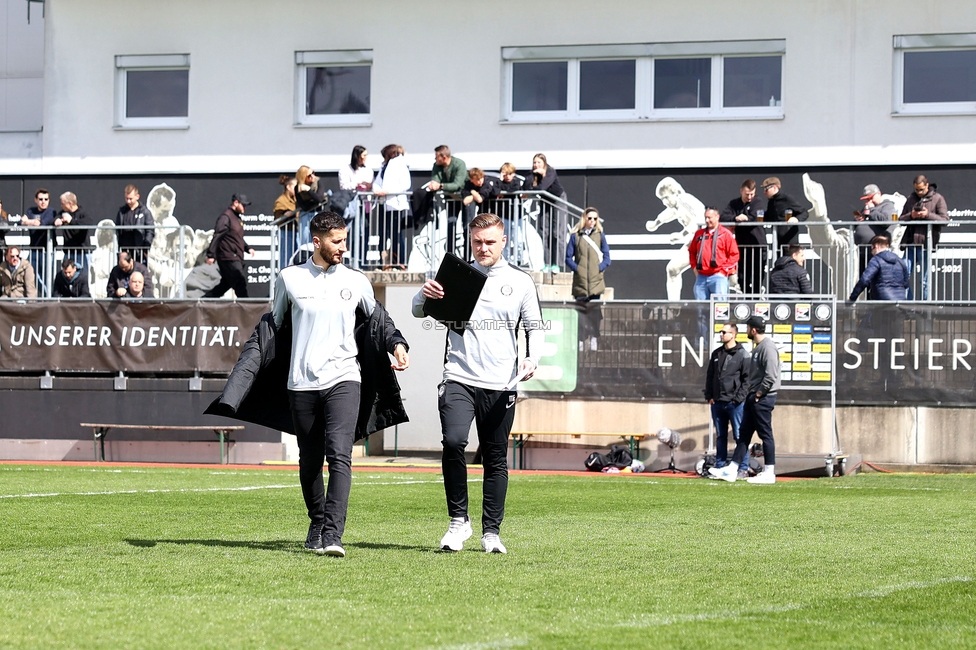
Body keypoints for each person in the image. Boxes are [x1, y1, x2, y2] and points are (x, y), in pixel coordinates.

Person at [273, 211, 410, 557]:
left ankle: (333, 534)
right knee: (309, 461)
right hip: (301, 383)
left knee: (340, 456)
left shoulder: (357, 280)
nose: (343, 248)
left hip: (345, 378)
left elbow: (380, 320)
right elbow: (274, 326)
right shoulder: (289, 278)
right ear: (316, 242)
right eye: (336, 241)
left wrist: (397, 344)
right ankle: (317, 519)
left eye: (345, 240)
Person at [412, 212, 544, 554]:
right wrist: (422, 294)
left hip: (501, 384)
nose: (483, 248)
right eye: (477, 242)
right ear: (470, 242)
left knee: (495, 457)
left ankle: (491, 533)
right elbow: (418, 311)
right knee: (454, 442)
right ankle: (458, 522)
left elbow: (534, 326)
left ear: (503, 242)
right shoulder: (458, 275)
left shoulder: (520, 281)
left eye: (489, 242)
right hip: (458, 376)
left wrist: (531, 358)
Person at [710, 315, 780, 484]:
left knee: (765, 434)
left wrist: (758, 394)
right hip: (753, 397)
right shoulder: (758, 347)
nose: (746, 331)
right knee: (744, 435)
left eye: (748, 328)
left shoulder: (767, 348)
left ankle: (769, 472)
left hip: (762, 398)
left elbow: (771, 376)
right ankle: (732, 469)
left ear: (753, 330)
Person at [645, 177, 706, 300]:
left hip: (707, 242)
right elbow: (669, 213)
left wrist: (681, 234)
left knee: (718, 277)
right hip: (695, 242)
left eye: (666, 198)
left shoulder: (686, 200)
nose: (664, 202)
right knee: (672, 269)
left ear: (675, 192)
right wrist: (656, 223)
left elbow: (700, 220)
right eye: (662, 199)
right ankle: (673, 305)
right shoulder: (677, 206)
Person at [704, 324, 750, 477]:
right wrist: (710, 396)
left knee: (739, 435)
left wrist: (738, 399)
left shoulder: (742, 354)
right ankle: (720, 466)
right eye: (720, 332)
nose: (721, 334)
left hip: (734, 403)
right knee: (721, 436)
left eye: (724, 332)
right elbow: (710, 376)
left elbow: (747, 380)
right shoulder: (716, 353)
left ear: (733, 334)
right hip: (717, 402)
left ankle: (743, 468)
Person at [566, 207, 611, 352]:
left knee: (595, 313)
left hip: (596, 281)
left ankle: (594, 337)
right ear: (584, 218)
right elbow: (568, 257)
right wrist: (577, 268)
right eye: (589, 218)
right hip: (580, 282)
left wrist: (600, 268)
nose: (592, 221)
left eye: (595, 219)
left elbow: (607, 257)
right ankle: (580, 339)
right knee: (580, 313)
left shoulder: (600, 236)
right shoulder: (575, 236)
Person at [900, 175, 949, 301]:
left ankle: (924, 307)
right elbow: (901, 219)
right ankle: (909, 305)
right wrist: (912, 215)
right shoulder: (911, 198)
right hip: (910, 243)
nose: (919, 192)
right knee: (902, 275)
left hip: (926, 244)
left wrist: (928, 215)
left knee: (924, 279)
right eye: (916, 190)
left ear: (927, 185)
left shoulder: (937, 198)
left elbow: (944, 220)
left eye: (921, 189)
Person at [203, 194, 255, 299]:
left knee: (224, 285)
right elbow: (218, 234)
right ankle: (247, 310)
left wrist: (247, 248)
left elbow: (236, 237)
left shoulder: (236, 218)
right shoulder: (226, 217)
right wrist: (211, 254)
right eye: (243, 205)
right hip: (229, 256)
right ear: (236, 203)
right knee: (240, 283)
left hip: (235, 256)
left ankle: (204, 302)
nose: (245, 208)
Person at [720, 179, 766, 295]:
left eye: (752, 194)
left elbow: (756, 216)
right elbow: (724, 216)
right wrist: (735, 219)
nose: (749, 197)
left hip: (758, 245)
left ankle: (755, 299)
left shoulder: (758, 201)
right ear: (741, 191)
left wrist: (746, 218)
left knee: (757, 275)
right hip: (741, 245)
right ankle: (746, 297)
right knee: (742, 275)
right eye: (747, 194)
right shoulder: (734, 203)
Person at [371, 144, 412, 268]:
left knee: (396, 234)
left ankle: (400, 261)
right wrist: (377, 190)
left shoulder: (400, 164)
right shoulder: (384, 166)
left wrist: (387, 191)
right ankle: (386, 262)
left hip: (396, 205)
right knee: (384, 233)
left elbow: (405, 184)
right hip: (385, 204)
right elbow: (377, 183)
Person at [527, 153, 568, 272]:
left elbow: (542, 188)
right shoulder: (533, 174)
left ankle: (558, 264)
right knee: (544, 232)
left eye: (539, 162)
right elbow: (526, 186)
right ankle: (547, 263)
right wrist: (533, 176)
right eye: (534, 162)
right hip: (545, 201)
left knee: (557, 233)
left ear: (544, 163)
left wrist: (542, 176)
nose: (536, 165)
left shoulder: (550, 171)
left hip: (558, 200)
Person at [688, 207, 739, 300]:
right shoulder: (699, 234)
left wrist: (723, 271)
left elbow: (734, 254)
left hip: (718, 277)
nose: (707, 220)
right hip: (701, 277)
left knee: (720, 309)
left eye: (710, 217)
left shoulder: (726, 234)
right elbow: (692, 251)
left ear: (717, 217)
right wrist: (694, 267)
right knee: (701, 309)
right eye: (705, 218)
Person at [410, 145, 467, 226]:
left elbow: (458, 184)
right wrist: (433, 185)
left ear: (444, 157)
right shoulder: (436, 165)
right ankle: (451, 239)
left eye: (436, 157)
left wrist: (440, 186)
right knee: (451, 222)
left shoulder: (459, 164)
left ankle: (469, 239)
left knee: (466, 225)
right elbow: (435, 180)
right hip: (450, 198)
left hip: (465, 197)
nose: (435, 159)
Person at [853, 184, 896, 281]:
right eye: (866, 199)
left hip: (878, 252)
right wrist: (857, 219)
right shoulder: (867, 208)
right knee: (865, 280)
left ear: (879, 194)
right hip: (864, 251)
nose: (869, 201)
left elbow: (886, 221)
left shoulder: (888, 206)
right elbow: (858, 224)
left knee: (877, 281)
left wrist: (871, 210)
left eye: (871, 198)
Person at [849, 235, 909, 301]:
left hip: (881, 300)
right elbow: (906, 283)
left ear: (876, 246)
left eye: (872, 249)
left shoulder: (876, 260)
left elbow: (864, 280)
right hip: (900, 300)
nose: (872, 252)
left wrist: (853, 297)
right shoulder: (899, 261)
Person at [457, 168, 499, 256]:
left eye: (480, 179)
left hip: (489, 215)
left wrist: (472, 192)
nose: (480, 182)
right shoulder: (468, 184)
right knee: (469, 236)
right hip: (475, 217)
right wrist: (475, 194)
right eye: (477, 180)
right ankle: (467, 260)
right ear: (472, 180)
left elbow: (480, 199)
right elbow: (465, 201)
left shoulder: (487, 183)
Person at [761, 177, 807, 251]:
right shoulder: (771, 202)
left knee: (790, 261)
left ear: (774, 188)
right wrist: (754, 216)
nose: (764, 192)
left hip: (790, 241)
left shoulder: (787, 199)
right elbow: (769, 216)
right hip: (777, 240)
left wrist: (796, 219)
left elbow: (804, 212)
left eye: (766, 189)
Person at [115, 184, 155, 261]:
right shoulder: (121, 212)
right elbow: (117, 229)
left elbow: (150, 230)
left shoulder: (145, 212)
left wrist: (146, 247)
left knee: (139, 271)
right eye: (126, 198)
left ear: (137, 196)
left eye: (130, 198)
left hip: (139, 250)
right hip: (124, 249)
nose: (128, 201)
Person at [56, 192, 94, 272]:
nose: (61, 206)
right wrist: (57, 221)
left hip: (82, 253)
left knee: (82, 276)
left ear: (70, 203)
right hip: (68, 252)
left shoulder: (82, 213)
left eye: (63, 203)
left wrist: (71, 221)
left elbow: (89, 222)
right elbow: (53, 219)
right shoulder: (63, 213)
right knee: (65, 275)